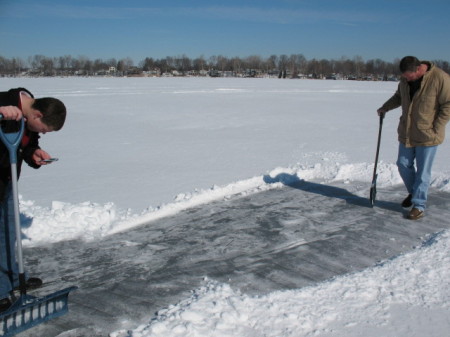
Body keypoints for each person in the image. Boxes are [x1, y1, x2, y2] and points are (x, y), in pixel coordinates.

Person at [0, 88, 66, 312]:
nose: (44, 133)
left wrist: (33, 153)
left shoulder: (29, 110)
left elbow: (26, 142)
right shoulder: (4, 102)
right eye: (44, 130)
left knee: (9, 230)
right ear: (37, 115)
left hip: (6, 180)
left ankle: (12, 277)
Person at [377, 56, 450, 220]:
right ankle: (414, 192)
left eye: (408, 75)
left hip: (428, 134)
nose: (405, 78)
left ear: (418, 69)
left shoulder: (440, 78)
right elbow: (398, 97)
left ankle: (419, 205)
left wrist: (437, 127)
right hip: (407, 132)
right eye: (404, 76)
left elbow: (448, 104)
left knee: (423, 172)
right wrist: (385, 108)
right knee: (403, 164)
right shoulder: (404, 80)